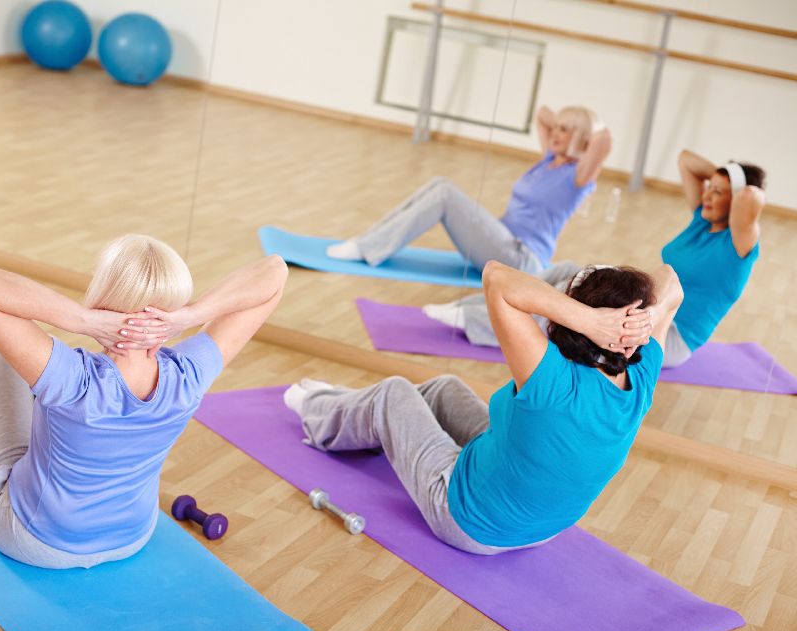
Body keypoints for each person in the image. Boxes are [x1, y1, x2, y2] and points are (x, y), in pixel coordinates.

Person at [0, 234, 287, 568]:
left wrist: (82, 321)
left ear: (103, 299)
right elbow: (274, 271)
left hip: (33, 540)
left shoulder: (72, 375)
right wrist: (193, 316)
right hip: (132, 538)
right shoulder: (189, 374)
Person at [284, 262, 682, 554]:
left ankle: (316, 411)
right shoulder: (643, 373)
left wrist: (589, 320)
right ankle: (359, 415)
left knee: (393, 393)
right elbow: (671, 283)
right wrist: (645, 318)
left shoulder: (552, 379)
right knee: (444, 389)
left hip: (471, 520)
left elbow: (496, 278)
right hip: (540, 523)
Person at [423, 150, 765, 368]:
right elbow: (686, 160)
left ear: (735, 202)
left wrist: (736, 184)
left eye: (718, 191)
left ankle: (477, 322)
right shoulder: (702, 221)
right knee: (570, 272)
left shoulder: (738, 246)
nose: (706, 193)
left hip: (668, 333)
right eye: (708, 187)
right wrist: (724, 175)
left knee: (577, 310)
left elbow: (751, 195)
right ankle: (476, 306)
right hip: (649, 306)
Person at [325, 105, 611, 275]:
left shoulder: (578, 179)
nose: (555, 134)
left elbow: (604, 141)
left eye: (565, 130)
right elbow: (542, 114)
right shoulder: (548, 160)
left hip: (522, 260)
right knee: (439, 184)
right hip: (500, 242)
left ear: (581, 137)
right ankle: (367, 244)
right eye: (557, 128)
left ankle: (366, 249)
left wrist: (587, 130)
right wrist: (568, 123)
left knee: (446, 193)